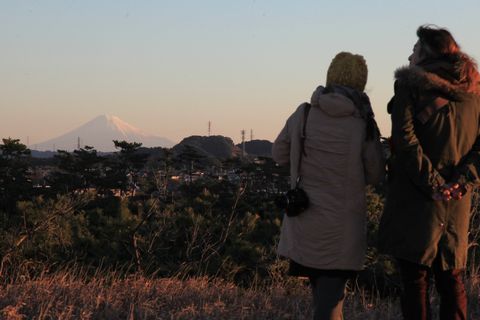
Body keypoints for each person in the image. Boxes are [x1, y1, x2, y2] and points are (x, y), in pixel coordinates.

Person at [272, 52, 385, 320]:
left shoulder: (305, 113)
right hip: (342, 227)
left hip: (306, 219)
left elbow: (279, 153)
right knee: (331, 301)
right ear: (361, 82)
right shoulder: (362, 123)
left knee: (321, 298)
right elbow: (376, 174)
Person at [379, 25, 480, 320]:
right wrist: (459, 182)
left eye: (415, 48)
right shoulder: (474, 94)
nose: (410, 54)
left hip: (416, 198)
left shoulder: (409, 86)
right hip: (456, 202)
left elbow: (405, 140)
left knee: (415, 281)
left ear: (427, 53)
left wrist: (434, 184)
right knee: (452, 280)